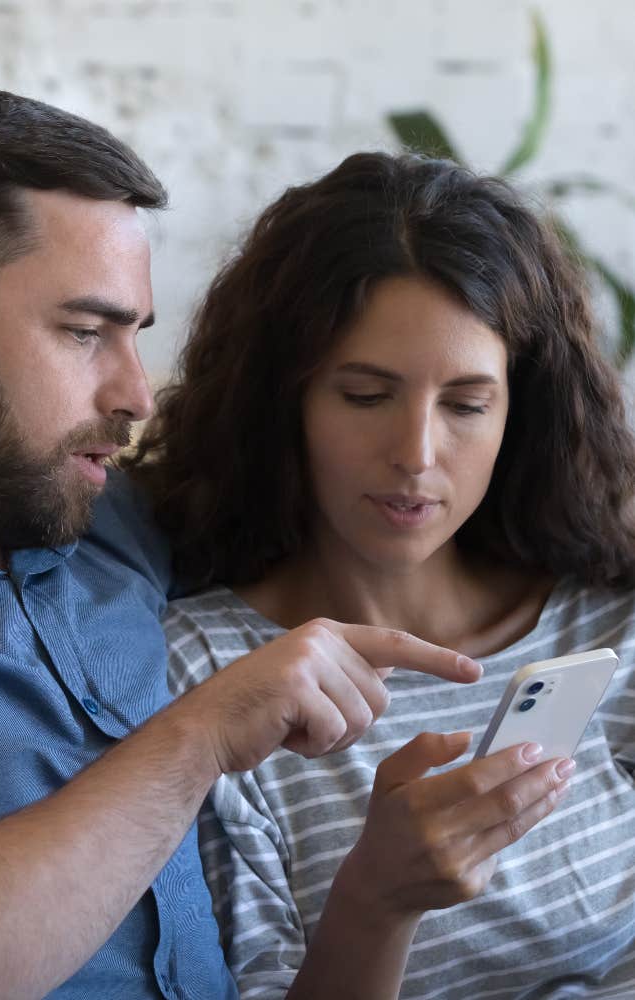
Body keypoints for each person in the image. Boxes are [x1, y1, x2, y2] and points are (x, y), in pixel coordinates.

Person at [0, 85, 556, 1000]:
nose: (137, 396)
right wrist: (197, 740)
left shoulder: (98, 508)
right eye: (84, 332)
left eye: (135, 336)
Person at [134, 152, 635, 998]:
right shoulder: (209, 680)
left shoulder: (608, 623)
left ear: (524, 410)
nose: (415, 455)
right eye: (366, 395)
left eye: (468, 405)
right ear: (282, 401)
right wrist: (376, 900)